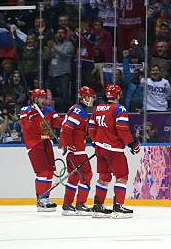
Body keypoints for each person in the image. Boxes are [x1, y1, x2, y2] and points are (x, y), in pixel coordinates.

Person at [90, 84, 141, 218]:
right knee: (122, 176)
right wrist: (132, 143)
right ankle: (118, 207)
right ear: (118, 95)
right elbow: (122, 130)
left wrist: (96, 141)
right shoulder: (119, 109)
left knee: (104, 177)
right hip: (114, 150)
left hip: (100, 148)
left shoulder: (97, 109)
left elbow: (91, 128)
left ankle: (98, 206)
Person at [18, 88, 62, 212]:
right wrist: (32, 115)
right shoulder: (25, 111)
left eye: (44, 97)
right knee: (42, 172)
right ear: (34, 99)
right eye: (41, 98)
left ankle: (46, 199)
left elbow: (58, 122)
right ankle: (40, 200)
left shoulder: (49, 110)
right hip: (34, 144)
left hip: (47, 142)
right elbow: (25, 125)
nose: (44, 100)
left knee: (49, 172)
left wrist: (69, 121)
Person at [59, 86, 96, 216]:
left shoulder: (76, 108)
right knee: (87, 174)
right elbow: (67, 128)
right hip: (77, 151)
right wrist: (69, 145)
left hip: (73, 150)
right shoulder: (79, 111)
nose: (92, 100)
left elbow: (66, 128)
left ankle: (67, 204)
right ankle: (80, 204)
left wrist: (66, 146)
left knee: (74, 177)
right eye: (91, 97)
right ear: (84, 98)